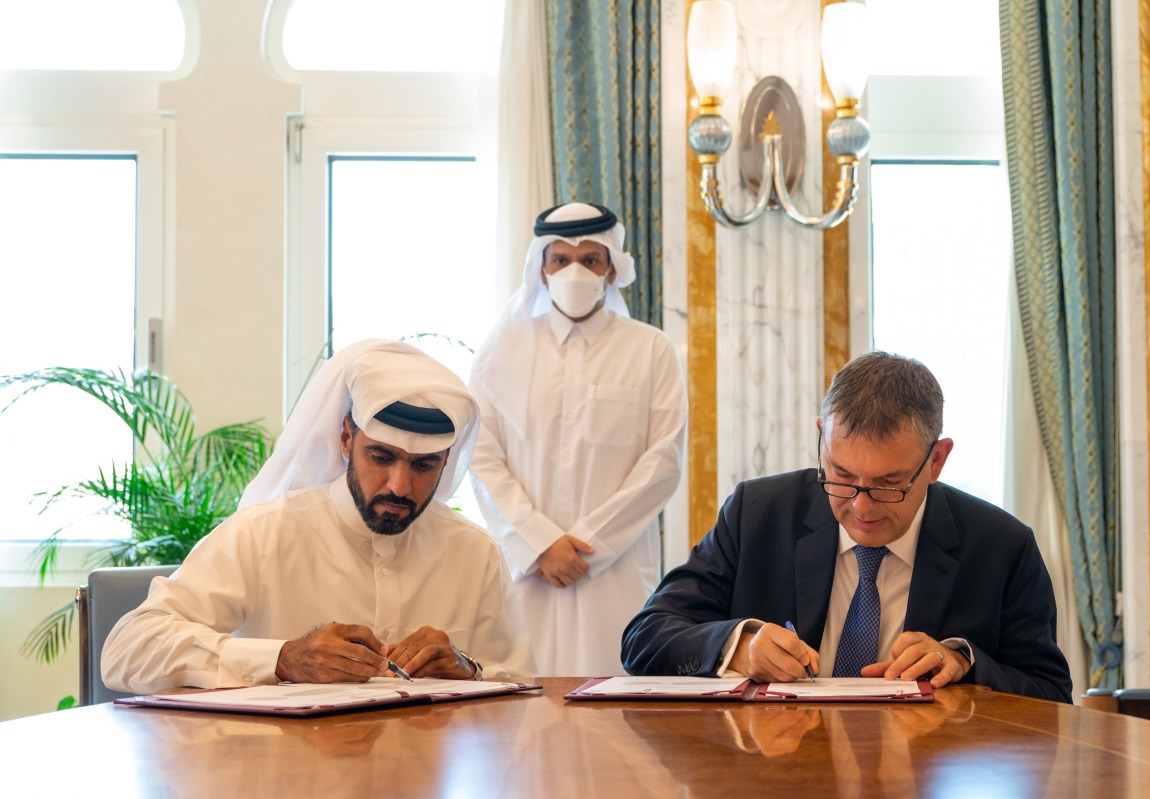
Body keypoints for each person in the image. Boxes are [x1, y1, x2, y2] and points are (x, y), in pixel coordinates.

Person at [621, 352, 1072, 702]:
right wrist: (735, 648)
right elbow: (645, 636)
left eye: (888, 484)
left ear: (936, 460)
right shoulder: (758, 513)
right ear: (821, 437)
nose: (860, 505)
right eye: (840, 475)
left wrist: (965, 663)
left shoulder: (1001, 547)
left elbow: (1051, 694)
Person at [102, 339, 536, 694]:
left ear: (446, 463)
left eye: (423, 466)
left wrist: (468, 668)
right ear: (346, 438)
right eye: (381, 457)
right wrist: (283, 658)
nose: (400, 486)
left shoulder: (474, 553)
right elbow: (127, 650)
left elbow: (521, 685)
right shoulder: (264, 533)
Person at [469, 202, 686, 676]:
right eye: (560, 260)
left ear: (611, 270)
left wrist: (588, 545)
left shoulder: (650, 349)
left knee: (617, 720)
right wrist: (539, 543)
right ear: (541, 271)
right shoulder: (500, 352)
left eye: (590, 259)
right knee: (522, 718)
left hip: (616, 573)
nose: (574, 271)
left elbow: (663, 461)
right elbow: (481, 458)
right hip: (526, 571)